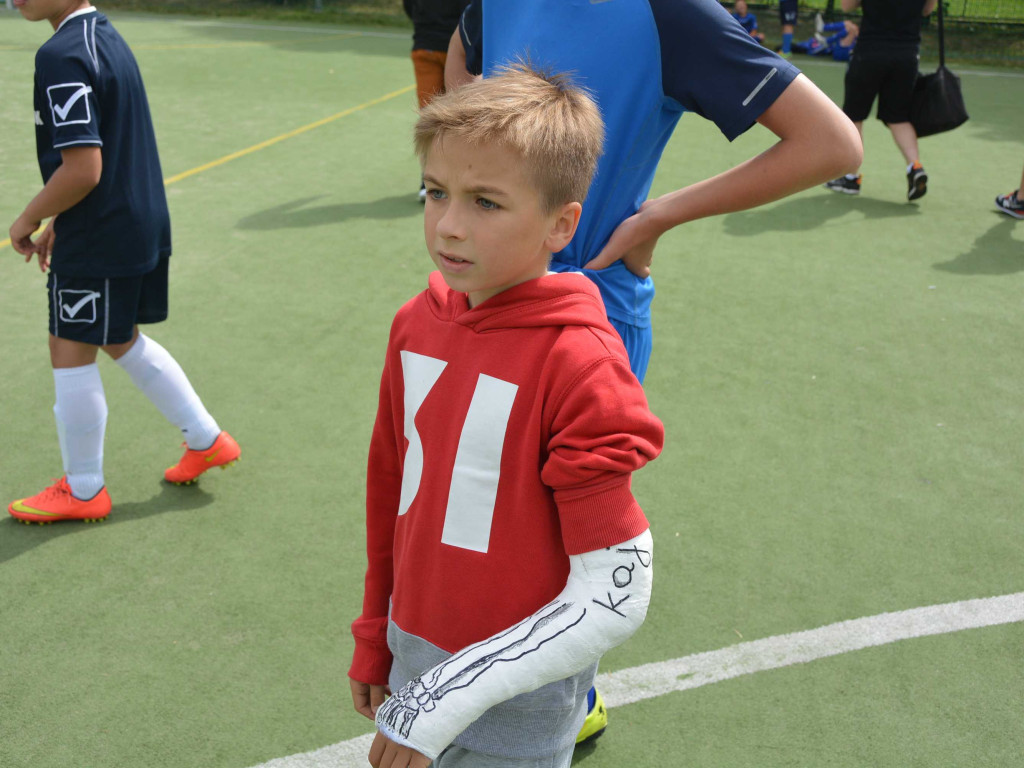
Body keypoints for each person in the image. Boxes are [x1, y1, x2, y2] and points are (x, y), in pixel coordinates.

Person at [348, 64, 664, 768]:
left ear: (561, 223)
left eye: (486, 203)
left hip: (515, 717)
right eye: (435, 193)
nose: (449, 225)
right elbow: (391, 491)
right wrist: (377, 633)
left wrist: (439, 702)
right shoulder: (414, 324)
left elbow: (613, 596)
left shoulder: (580, 363)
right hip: (410, 660)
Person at [445, 0, 861, 385]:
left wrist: (657, 217)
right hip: (479, 295)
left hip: (587, 317)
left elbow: (831, 143)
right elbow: (463, 50)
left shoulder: (670, 13)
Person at [8, 0, 239, 524]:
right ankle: (205, 438)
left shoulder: (62, 53)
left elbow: (85, 167)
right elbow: (107, 146)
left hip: (103, 230)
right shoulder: (104, 35)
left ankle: (84, 489)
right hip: (133, 219)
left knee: (69, 343)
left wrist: (27, 218)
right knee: (116, 335)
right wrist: (59, 221)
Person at [824, 0, 938, 200]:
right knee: (899, 118)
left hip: (870, 52)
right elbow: (927, 9)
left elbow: (846, 6)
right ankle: (915, 166)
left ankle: (851, 176)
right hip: (906, 55)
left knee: (854, 116)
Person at [403, 0, 470, 202]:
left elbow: (409, 7)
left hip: (425, 45)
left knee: (429, 118)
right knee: (462, 117)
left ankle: (428, 183)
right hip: (456, 49)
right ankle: (462, 179)